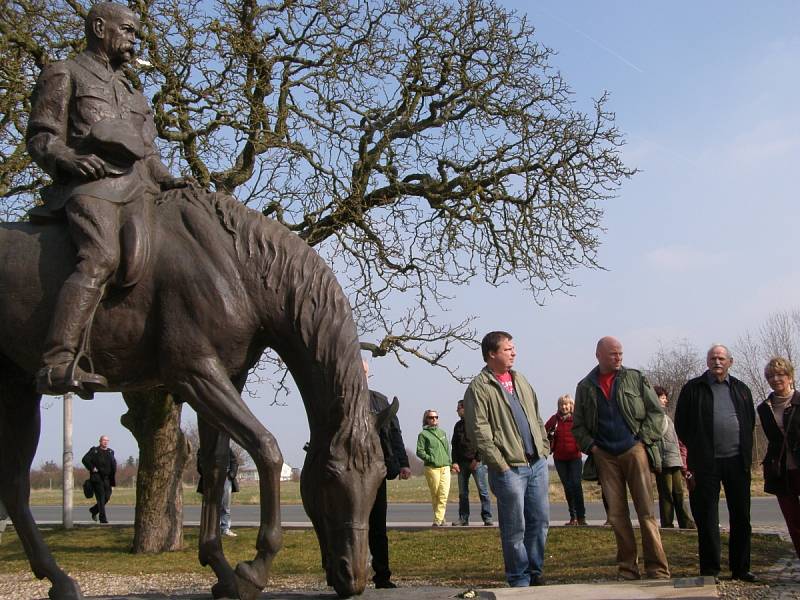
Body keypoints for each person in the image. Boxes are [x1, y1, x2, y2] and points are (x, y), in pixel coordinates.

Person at [26, 2, 195, 396]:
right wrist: (67, 157)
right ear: (100, 28)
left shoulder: (133, 89)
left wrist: (168, 179)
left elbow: (149, 154)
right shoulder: (64, 73)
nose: (134, 40)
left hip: (140, 188)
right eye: (128, 30)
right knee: (100, 258)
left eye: (136, 33)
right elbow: (41, 136)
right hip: (92, 187)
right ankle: (57, 359)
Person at [572, 336, 669, 581]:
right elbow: (578, 426)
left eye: (620, 354)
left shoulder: (635, 378)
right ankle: (627, 569)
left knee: (646, 512)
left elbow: (656, 414)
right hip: (605, 455)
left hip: (634, 450)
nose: (618, 357)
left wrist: (643, 441)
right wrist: (592, 447)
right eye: (613, 354)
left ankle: (657, 569)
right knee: (617, 515)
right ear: (599, 355)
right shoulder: (585, 386)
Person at [463, 331, 550, 587]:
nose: (514, 352)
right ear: (492, 354)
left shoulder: (520, 379)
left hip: (536, 464)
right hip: (509, 469)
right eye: (508, 348)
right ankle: (519, 577)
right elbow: (479, 430)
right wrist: (499, 464)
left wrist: (543, 448)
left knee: (540, 522)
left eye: (514, 348)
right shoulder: (479, 387)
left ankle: (535, 571)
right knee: (515, 529)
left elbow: (536, 415)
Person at [675, 344, 756, 582]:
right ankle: (710, 571)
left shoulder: (741, 389)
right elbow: (682, 424)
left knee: (741, 516)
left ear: (730, 361)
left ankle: (741, 569)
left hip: (737, 462)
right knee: (707, 517)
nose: (717, 362)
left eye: (721, 358)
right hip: (705, 464)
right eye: (712, 358)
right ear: (707, 362)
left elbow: (749, 421)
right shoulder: (693, 388)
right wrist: (698, 448)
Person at [363, 360, 412, 589]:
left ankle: (382, 576)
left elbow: (395, 434)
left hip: (377, 471)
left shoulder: (380, 400)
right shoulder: (337, 399)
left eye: (363, 370)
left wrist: (403, 463)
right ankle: (342, 575)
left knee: (378, 527)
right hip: (349, 474)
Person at [756, 357, 800, 559]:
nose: (775, 379)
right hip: (781, 471)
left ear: (790, 377)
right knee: (793, 522)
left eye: (780, 374)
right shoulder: (764, 408)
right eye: (770, 376)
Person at [653, 385, 695, 529]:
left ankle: (686, 522)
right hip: (663, 461)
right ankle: (667, 523)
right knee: (666, 494)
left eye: (665, 397)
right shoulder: (653, 417)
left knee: (678, 492)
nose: (665, 400)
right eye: (662, 397)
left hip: (674, 459)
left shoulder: (665, 417)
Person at [545, 394, 586, 526]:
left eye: (567, 404)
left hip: (575, 457)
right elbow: (543, 431)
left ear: (571, 405)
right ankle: (573, 517)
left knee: (576, 485)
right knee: (568, 487)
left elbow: (585, 432)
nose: (564, 406)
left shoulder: (577, 419)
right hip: (559, 459)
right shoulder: (554, 420)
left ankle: (581, 517)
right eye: (562, 404)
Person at [450, 399, 493, 526]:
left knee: (483, 491)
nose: (457, 411)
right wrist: (455, 462)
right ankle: (463, 518)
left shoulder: (476, 423)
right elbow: (454, 445)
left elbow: (482, 442)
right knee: (463, 493)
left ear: (465, 409)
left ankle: (487, 517)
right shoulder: (457, 426)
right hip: (461, 464)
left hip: (477, 463)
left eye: (459, 408)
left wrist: (477, 459)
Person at [416, 409, 452, 526]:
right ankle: (441, 518)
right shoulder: (423, 435)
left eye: (436, 417)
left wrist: (450, 462)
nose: (434, 419)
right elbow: (419, 451)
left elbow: (447, 449)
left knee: (443, 494)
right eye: (431, 417)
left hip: (445, 467)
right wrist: (431, 459)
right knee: (436, 494)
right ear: (426, 419)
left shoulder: (442, 433)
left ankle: (437, 519)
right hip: (432, 468)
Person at [82, 435, 116, 523]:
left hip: (107, 479)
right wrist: (92, 468)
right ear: (100, 441)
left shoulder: (111, 452)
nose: (105, 442)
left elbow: (113, 467)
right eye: (104, 440)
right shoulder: (94, 451)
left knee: (107, 497)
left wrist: (112, 482)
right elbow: (85, 459)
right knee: (101, 498)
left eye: (107, 440)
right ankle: (103, 519)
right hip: (97, 479)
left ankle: (94, 510)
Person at [220, 447, 240, 537]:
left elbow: (234, 461)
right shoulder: (205, 446)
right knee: (213, 506)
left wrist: (231, 474)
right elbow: (200, 463)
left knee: (225, 505)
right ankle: (214, 529)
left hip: (226, 477)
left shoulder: (226, 447)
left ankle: (225, 528)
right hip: (211, 477)